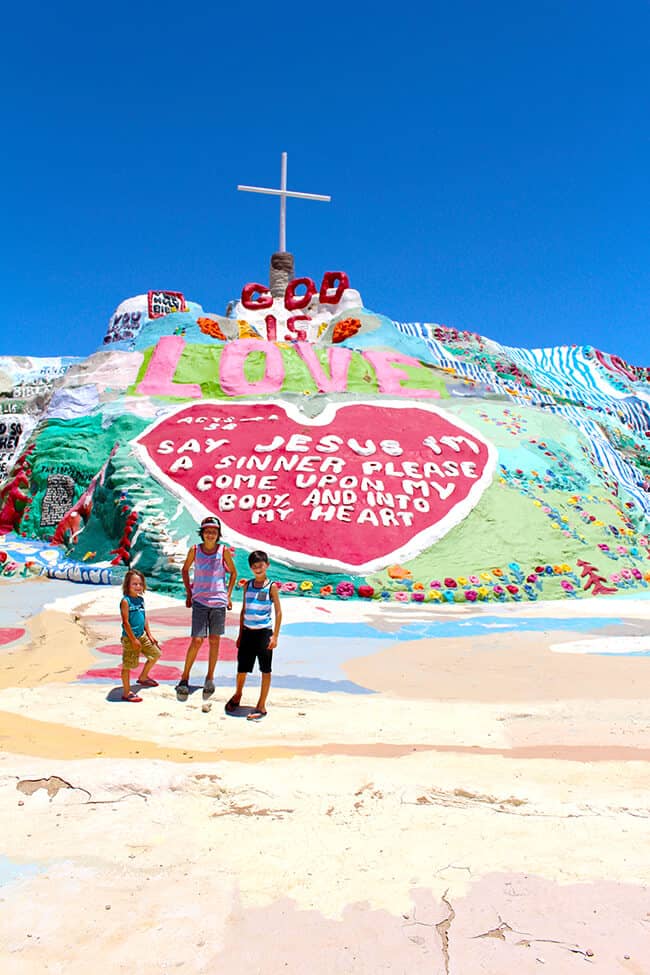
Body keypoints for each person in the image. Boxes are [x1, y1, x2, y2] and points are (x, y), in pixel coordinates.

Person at [176, 515, 237, 699]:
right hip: (200, 601)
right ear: (202, 533)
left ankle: (209, 677)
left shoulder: (223, 551)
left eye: (214, 531)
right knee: (197, 640)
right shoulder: (195, 550)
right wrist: (189, 592)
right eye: (207, 531)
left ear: (218, 534)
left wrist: (228, 595)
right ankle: (184, 677)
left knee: (214, 640)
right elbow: (185, 569)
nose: (210, 534)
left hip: (218, 602)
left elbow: (233, 572)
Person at [226, 550, 282, 720]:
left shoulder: (271, 586)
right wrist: (240, 634)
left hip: (264, 633)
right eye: (254, 566)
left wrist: (275, 636)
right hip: (247, 633)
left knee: (265, 669)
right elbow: (244, 610)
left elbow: (278, 612)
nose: (258, 568)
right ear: (250, 568)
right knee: (242, 668)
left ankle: (261, 705)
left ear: (267, 565)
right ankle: (237, 695)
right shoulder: (247, 585)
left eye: (261, 565)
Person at [120, 569, 161, 702]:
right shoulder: (126, 601)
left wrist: (149, 634)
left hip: (142, 635)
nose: (138, 586)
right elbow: (125, 622)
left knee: (155, 654)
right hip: (130, 638)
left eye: (140, 584)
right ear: (127, 585)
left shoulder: (141, 600)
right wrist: (133, 640)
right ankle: (126, 692)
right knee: (128, 665)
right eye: (134, 584)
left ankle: (143, 677)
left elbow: (144, 618)